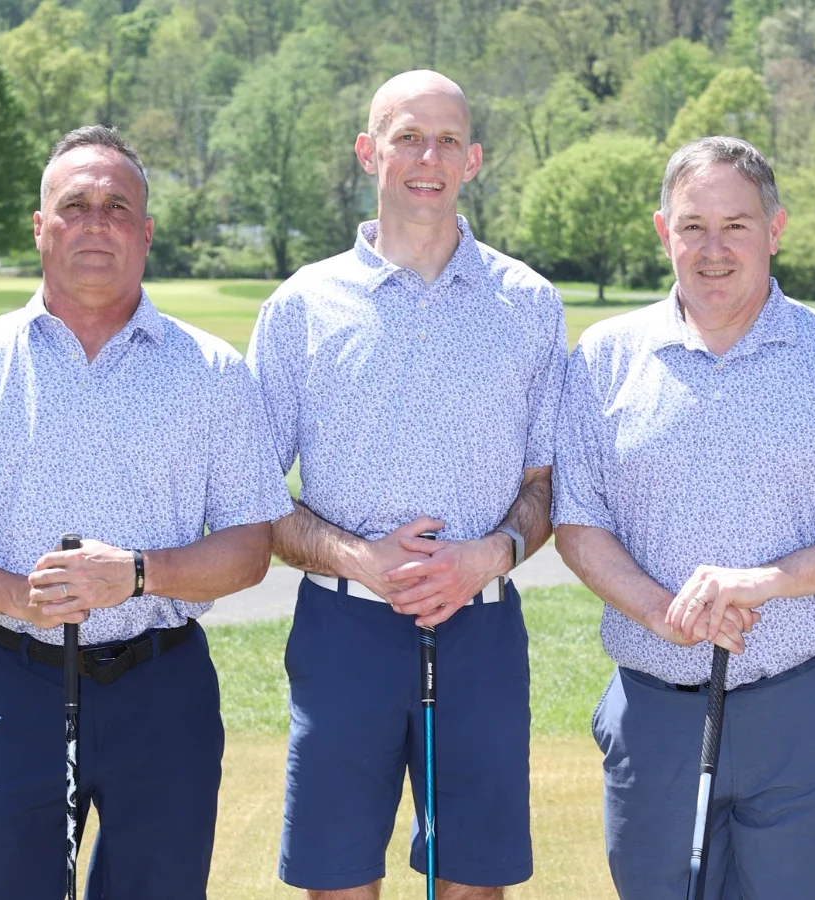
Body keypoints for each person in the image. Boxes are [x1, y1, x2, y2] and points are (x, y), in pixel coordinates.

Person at [0, 125, 294, 898]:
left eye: (117, 206)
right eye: (75, 204)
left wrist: (134, 574)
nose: (96, 222)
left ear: (147, 232)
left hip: (163, 693)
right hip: (17, 686)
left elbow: (250, 545)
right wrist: (16, 594)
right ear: (40, 227)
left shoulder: (213, 372)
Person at [552, 136, 815, 899]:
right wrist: (662, 612)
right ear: (663, 231)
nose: (713, 250)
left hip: (811, 709)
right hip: (656, 709)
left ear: (775, 228)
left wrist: (768, 582)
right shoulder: (605, 358)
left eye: (737, 226)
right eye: (693, 226)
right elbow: (579, 522)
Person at [246, 70, 565, 899]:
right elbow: (253, 493)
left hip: (482, 634)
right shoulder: (301, 305)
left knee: (474, 882)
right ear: (368, 152)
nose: (430, 157)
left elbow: (545, 481)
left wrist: (486, 556)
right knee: (337, 881)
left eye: (449, 140)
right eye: (408, 137)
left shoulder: (528, 303)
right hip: (343, 632)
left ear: (474, 159)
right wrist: (361, 559)